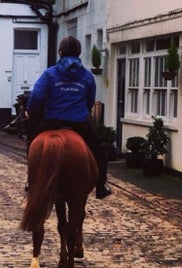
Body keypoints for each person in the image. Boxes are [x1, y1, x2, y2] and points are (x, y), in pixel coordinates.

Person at [24, 36, 112, 199]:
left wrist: (31, 111)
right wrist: (81, 112)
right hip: (79, 123)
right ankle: (101, 185)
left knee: (31, 142)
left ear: (60, 52)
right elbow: (90, 100)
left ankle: (32, 181)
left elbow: (37, 96)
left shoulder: (50, 74)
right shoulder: (87, 76)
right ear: (79, 53)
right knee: (99, 147)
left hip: (52, 121)